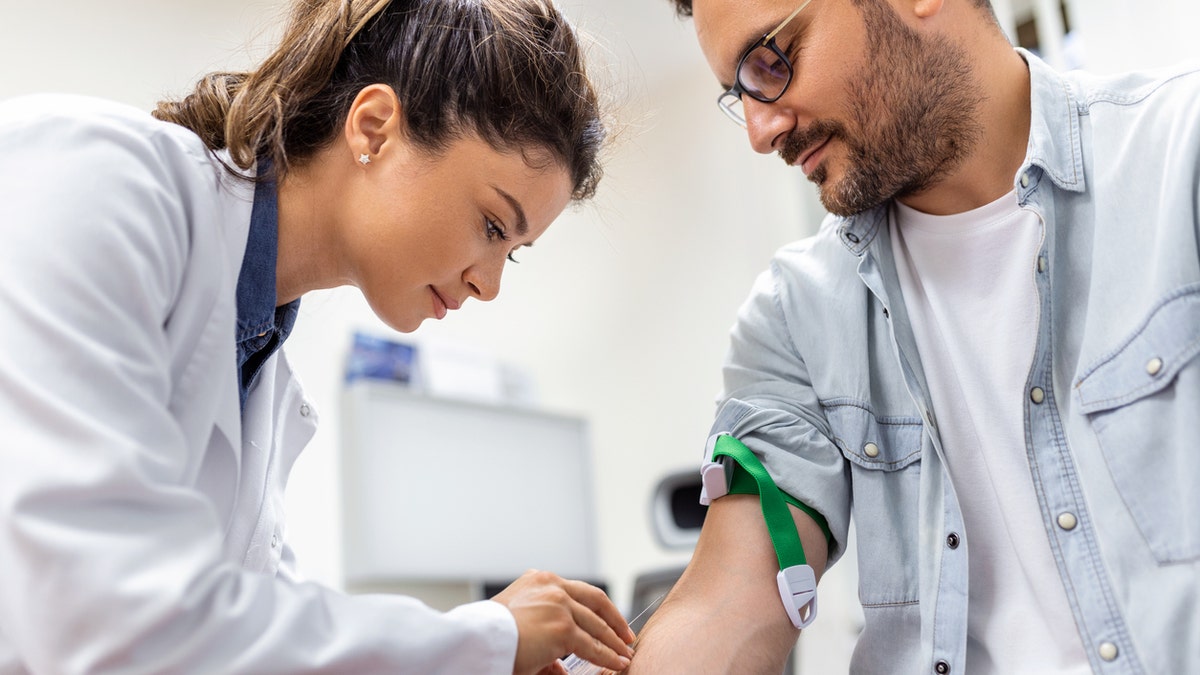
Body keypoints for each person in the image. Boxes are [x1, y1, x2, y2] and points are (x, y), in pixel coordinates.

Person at [0, 0, 636, 672]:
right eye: (491, 225)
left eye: (514, 251)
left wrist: (480, 649)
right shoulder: (95, 178)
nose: (489, 284)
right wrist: (485, 636)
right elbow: (111, 618)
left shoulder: (263, 376)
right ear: (374, 128)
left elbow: (248, 643)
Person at [627, 0, 1200, 673]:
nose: (759, 130)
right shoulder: (793, 318)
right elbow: (728, 607)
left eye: (771, 61)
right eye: (740, 92)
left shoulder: (1177, 161)